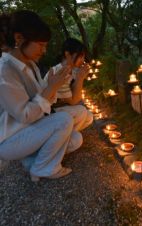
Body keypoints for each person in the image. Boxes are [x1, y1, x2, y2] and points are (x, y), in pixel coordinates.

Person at [0, 10, 81, 181]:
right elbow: (25, 115)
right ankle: (42, 168)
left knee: (75, 139)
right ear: (19, 38)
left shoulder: (30, 64)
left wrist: (51, 86)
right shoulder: (5, 71)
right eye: (41, 45)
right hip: (10, 139)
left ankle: (31, 159)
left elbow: (42, 98)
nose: (44, 50)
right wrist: (51, 87)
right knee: (64, 120)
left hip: (31, 128)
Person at [45, 38, 93, 134]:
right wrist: (80, 78)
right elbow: (74, 101)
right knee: (82, 111)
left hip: (58, 108)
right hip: (48, 112)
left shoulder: (72, 70)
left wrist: (79, 77)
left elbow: (75, 96)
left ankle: (65, 135)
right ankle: (62, 137)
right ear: (67, 54)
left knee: (89, 117)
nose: (82, 60)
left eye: (83, 57)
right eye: (80, 56)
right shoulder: (60, 72)